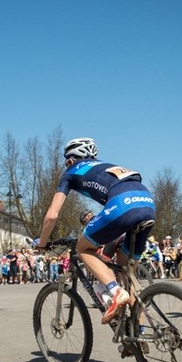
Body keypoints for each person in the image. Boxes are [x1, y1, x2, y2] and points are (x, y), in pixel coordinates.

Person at [36, 137, 156, 324]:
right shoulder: (105, 165)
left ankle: (115, 292)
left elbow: (52, 216)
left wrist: (42, 244)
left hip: (122, 204)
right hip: (147, 203)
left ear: (69, 160)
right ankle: (137, 334)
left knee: (83, 248)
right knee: (127, 273)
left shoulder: (70, 171)